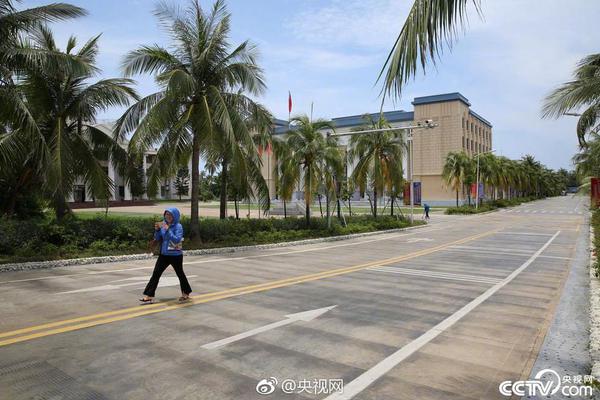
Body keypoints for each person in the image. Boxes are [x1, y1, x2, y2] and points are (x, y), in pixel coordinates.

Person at [140, 207, 192, 303]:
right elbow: (158, 238)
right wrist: (157, 230)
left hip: (175, 255)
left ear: (175, 216)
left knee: (180, 274)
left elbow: (176, 240)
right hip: (164, 254)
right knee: (156, 273)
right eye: (166, 214)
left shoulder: (178, 226)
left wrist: (168, 230)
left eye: (170, 215)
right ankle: (149, 295)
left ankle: (186, 292)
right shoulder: (163, 224)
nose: (168, 216)